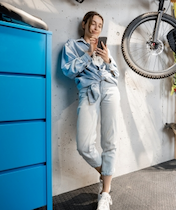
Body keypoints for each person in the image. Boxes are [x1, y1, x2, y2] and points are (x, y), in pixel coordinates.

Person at [61, 11, 120, 210]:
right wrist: (87, 55)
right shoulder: (72, 45)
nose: (96, 28)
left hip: (110, 89)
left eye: (100, 25)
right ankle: (106, 174)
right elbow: (67, 70)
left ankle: (105, 193)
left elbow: (116, 74)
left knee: (110, 141)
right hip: (89, 91)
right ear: (85, 24)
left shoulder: (105, 48)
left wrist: (108, 61)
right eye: (93, 24)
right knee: (84, 145)